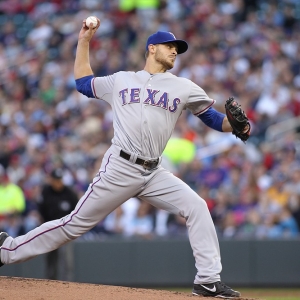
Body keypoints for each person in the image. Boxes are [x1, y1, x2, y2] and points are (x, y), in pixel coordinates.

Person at [0, 18, 249, 298]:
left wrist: (236, 125)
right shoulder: (121, 79)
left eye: (177, 48)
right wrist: (84, 42)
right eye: (170, 46)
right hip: (120, 167)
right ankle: (7, 250)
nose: (175, 51)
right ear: (151, 48)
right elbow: (83, 83)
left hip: (154, 172)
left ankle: (207, 280)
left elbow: (214, 119)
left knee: (197, 206)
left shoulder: (184, 87)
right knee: (73, 224)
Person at [38, 168, 79, 280]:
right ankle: (50, 284)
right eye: (56, 180)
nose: (58, 183)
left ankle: (67, 285)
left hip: (66, 230)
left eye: (60, 180)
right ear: (51, 180)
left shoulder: (69, 193)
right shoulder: (46, 191)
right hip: (50, 229)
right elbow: (40, 210)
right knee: (51, 258)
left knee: (66, 259)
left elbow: (77, 212)